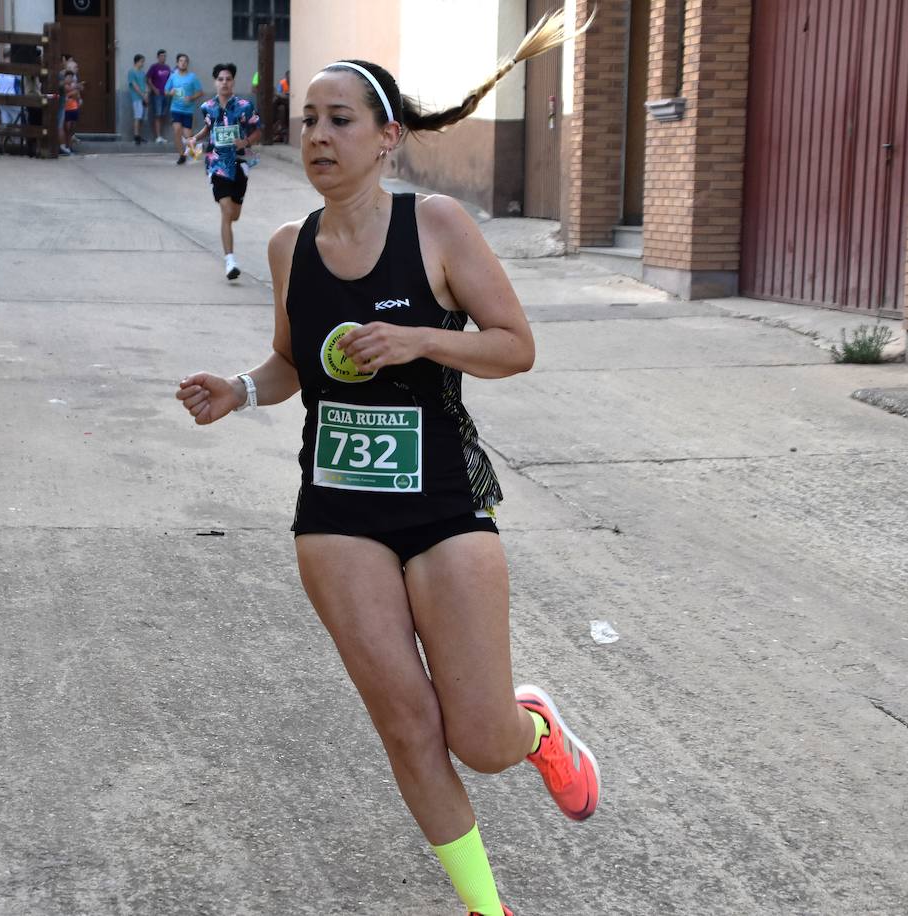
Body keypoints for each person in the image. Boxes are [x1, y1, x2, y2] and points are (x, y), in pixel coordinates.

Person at [173, 14, 596, 916]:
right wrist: (239, 391)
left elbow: (514, 346)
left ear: (386, 138)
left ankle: (535, 728)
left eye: (340, 121)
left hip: (443, 502)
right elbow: (293, 362)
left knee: (479, 739)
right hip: (335, 515)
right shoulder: (288, 246)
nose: (318, 137)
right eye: (308, 121)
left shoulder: (436, 226)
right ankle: (491, 909)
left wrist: (418, 341)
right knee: (407, 725)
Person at [184, 63, 262, 281]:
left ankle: (230, 255)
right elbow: (209, 127)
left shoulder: (245, 106)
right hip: (217, 163)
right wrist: (195, 138)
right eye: (220, 79)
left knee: (234, 214)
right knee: (226, 210)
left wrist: (245, 141)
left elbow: (258, 131)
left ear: (233, 82)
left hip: (240, 163)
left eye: (228, 79)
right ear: (215, 82)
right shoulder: (207, 107)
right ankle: (230, 261)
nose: (224, 83)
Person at [163, 53, 204, 165]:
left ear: (187, 64)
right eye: (181, 61)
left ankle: (195, 149)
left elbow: (200, 92)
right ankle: (181, 155)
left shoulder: (192, 77)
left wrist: (191, 97)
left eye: (185, 61)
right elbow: (165, 91)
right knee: (177, 131)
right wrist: (170, 93)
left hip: (188, 110)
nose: (183, 63)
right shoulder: (173, 76)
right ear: (177, 63)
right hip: (175, 109)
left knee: (188, 136)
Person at [146, 49, 172, 143]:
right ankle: (157, 136)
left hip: (166, 95)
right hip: (157, 95)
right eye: (161, 56)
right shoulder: (154, 67)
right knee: (157, 114)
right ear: (158, 57)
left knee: (162, 115)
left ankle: (160, 136)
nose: (163, 58)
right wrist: (154, 89)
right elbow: (148, 79)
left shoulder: (167, 67)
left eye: (164, 56)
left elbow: (170, 80)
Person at [127, 54, 149, 144]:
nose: (143, 64)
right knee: (137, 116)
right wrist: (142, 95)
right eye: (141, 61)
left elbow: (145, 83)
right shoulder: (131, 72)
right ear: (137, 61)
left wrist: (146, 94)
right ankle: (136, 136)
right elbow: (134, 85)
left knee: (142, 117)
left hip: (144, 97)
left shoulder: (142, 72)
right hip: (137, 97)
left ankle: (139, 135)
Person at [61, 68, 81, 155]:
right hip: (66, 109)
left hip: (74, 108)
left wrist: (74, 92)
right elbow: (69, 93)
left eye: (71, 77)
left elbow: (77, 95)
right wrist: (73, 91)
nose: (70, 79)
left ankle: (69, 147)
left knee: (71, 130)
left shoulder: (74, 87)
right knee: (66, 129)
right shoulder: (64, 86)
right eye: (68, 77)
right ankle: (65, 146)